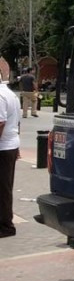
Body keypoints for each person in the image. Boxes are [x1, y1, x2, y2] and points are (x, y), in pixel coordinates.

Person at [0, 73, 20, 238]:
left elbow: (1, 123)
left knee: (3, 189)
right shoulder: (10, 93)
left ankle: (6, 227)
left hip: (3, 148)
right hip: (9, 145)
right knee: (4, 187)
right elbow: (16, 122)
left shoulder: (0, 96)